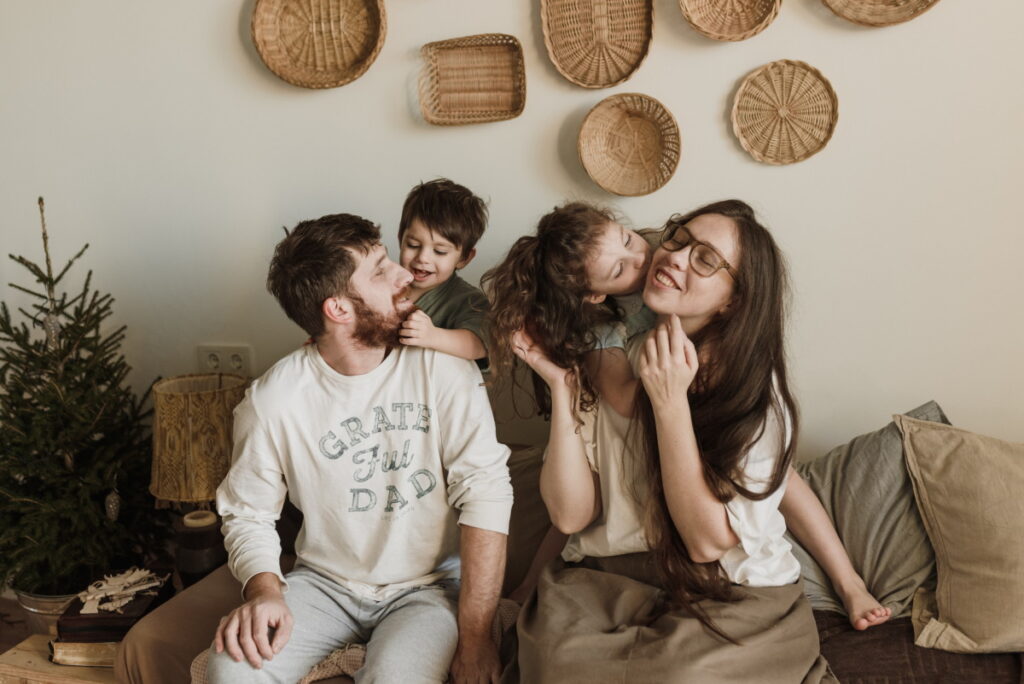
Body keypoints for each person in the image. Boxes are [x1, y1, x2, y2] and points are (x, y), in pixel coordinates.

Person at [486, 201, 890, 632]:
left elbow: (710, 540)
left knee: (778, 475)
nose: (669, 257)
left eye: (705, 259)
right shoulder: (607, 351)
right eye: (679, 240)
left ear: (734, 300)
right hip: (616, 579)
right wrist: (562, 384)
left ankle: (849, 581)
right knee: (548, 648)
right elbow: (573, 514)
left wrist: (671, 400)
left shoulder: (747, 385)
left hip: (720, 581)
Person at [206, 212, 513, 684]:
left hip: (429, 590)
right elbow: (248, 513)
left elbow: (486, 494)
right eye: (380, 270)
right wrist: (264, 592)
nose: (405, 274)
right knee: (229, 672)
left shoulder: (444, 369)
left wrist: (475, 637)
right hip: (323, 586)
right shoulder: (272, 401)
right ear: (338, 309)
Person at [397, 178, 491, 366]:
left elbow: (479, 345)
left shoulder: (469, 300)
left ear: (464, 258)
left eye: (439, 251)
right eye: (413, 245)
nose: (423, 258)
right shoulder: (385, 283)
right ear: (401, 239)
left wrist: (433, 336)